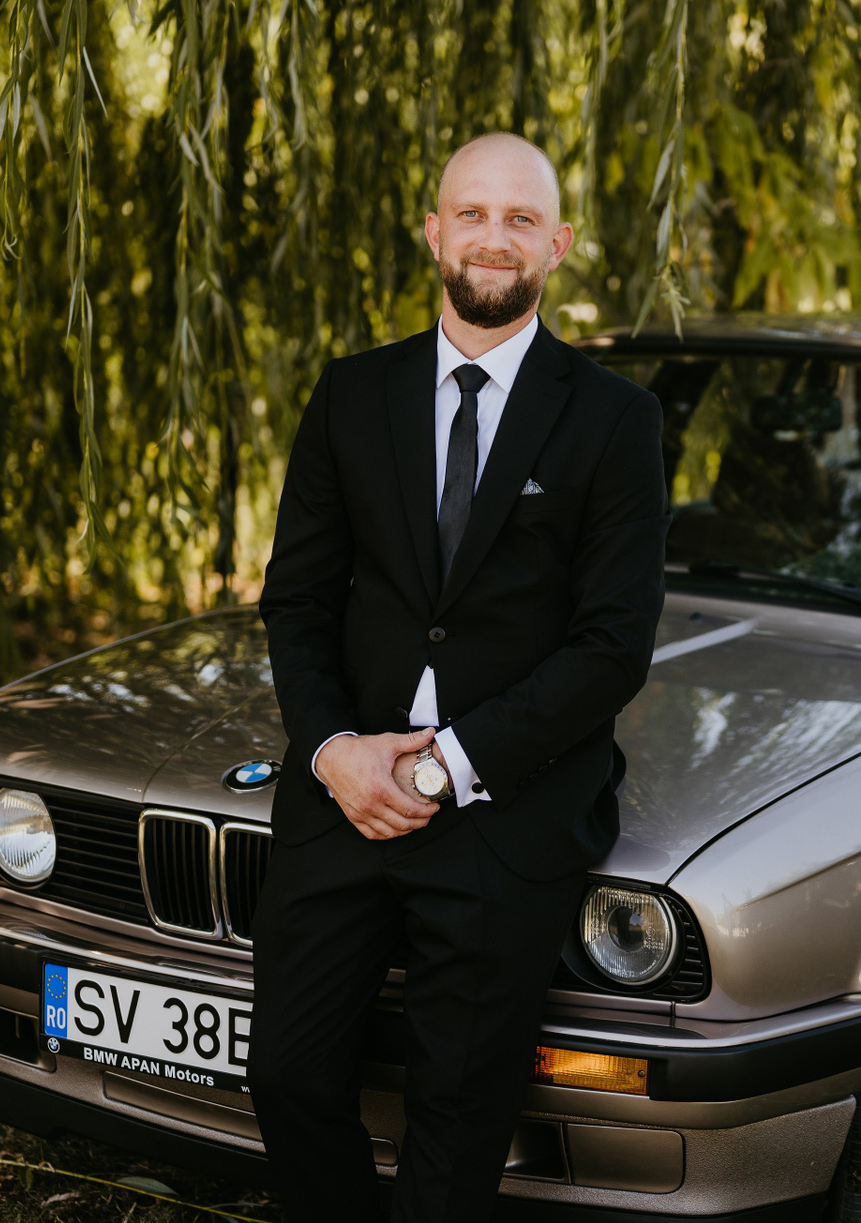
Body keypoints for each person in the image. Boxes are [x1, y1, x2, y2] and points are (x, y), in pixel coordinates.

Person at [251, 132, 669, 1223]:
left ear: (558, 245)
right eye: (473, 214)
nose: (494, 237)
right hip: (346, 794)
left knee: (457, 1112)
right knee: (287, 1074)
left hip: (507, 809)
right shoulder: (351, 395)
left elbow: (612, 646)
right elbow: (298, 602)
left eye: (521, 219)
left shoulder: (615, 419)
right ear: (434, 231)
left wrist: (449, 766)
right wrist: (334, 752)